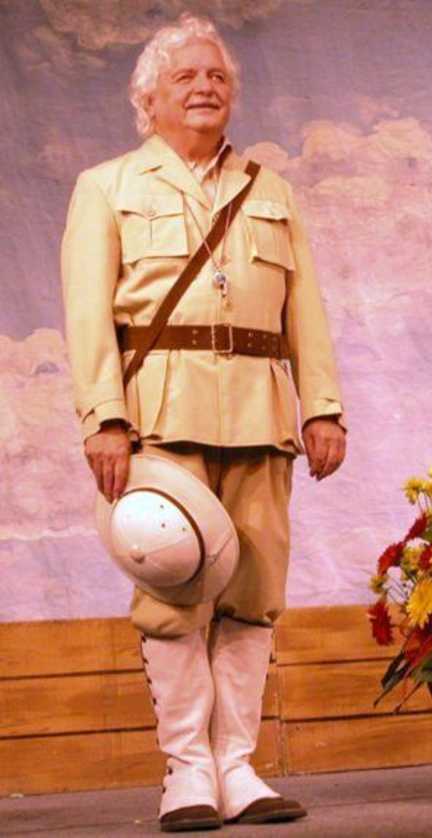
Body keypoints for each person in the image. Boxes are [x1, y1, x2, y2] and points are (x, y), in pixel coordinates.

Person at [61, 14, 346, 831]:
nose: (205, 87)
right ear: (147, 98)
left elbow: (306, 308)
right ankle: (187, 770)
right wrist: (103, 417)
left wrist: (322, 405)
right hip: (160, 417)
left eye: (217, 76)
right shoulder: (107, 186)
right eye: (185, 76)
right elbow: (88, 316)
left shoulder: (271, 189)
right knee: (173, 590)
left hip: (261, 413)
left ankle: (238, 767)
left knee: (253, 595)